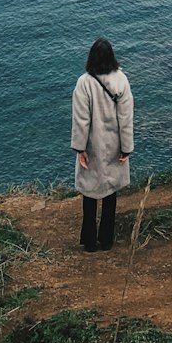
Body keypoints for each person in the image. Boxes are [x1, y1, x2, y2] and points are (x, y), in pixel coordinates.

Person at [70, 37, 134, 252]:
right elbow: (126, 118)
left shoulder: (84, 82)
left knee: (89, 193)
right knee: (110, 192)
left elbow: (81, 119)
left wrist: (80, 148)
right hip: (114, 145)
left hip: (92, 145)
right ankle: (106, 240)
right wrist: (126, 148)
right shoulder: (121, 81)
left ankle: (89, 241)